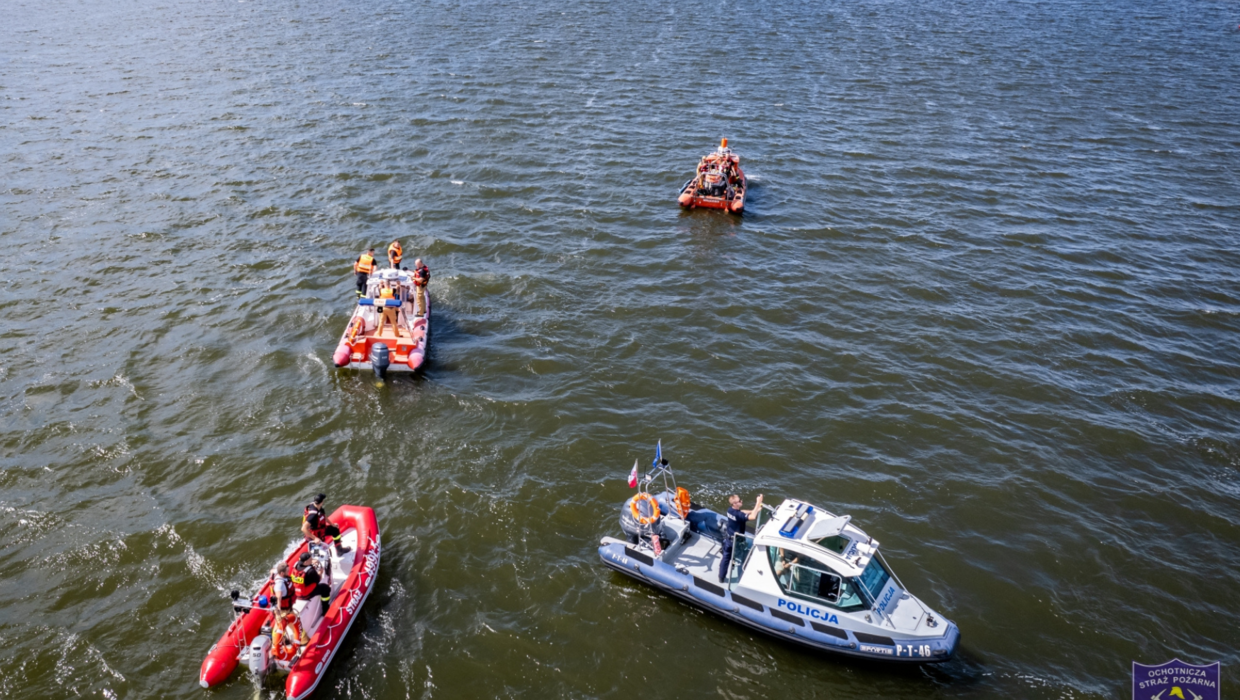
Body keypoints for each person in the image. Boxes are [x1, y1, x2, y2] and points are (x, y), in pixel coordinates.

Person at [718, 493, 762, 583]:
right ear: (734, 504)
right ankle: (740, 577)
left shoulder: (730, 510)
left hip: (729, 537)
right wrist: (758, 502)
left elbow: (741, 512)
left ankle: (721, 577)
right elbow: (753, 517)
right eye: (739, 501)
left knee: (726, 557)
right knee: (741, 557)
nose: (741, 501)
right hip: (736, 540)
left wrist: (753, 510)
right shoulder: (738, 515)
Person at [292, 551, 332, 615]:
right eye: (310, 559)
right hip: (306, 594)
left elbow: (305, 568)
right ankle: (325, 609)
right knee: (326, 588)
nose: (311, 560)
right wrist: (320, 573)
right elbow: (318, 579)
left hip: (297, 592)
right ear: (305, 562)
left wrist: (311, 562)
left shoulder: (296, 566)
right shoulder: (310, 571)